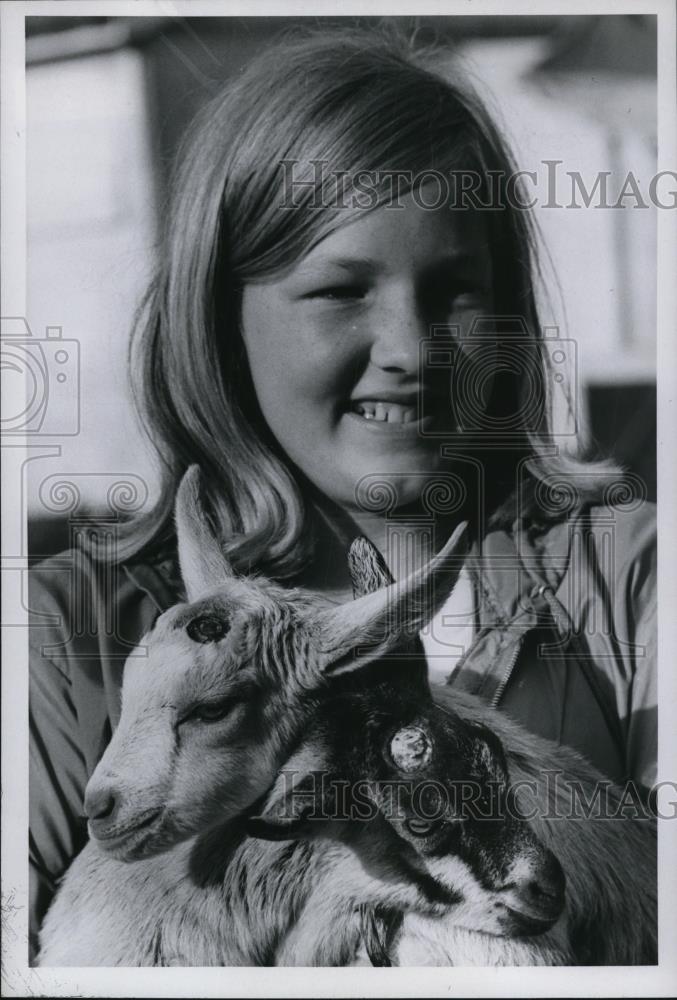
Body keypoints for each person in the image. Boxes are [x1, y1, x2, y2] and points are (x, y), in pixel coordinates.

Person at [28, 29, 657, 963]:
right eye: (339, 290)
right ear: (218, 316)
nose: (410, 349)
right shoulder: (69, 632)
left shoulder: (628, 579)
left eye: (456, 289)